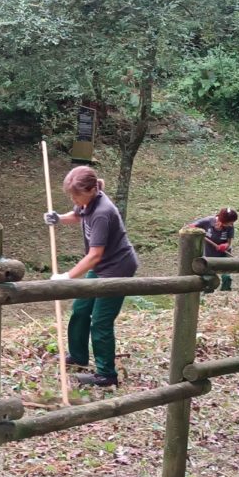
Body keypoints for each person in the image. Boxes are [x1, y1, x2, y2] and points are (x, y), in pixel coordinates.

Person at [44, 166, 139, 388]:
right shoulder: (88, 201)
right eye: (71, 195)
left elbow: (94, 256)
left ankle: (107, 375)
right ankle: (78, 355)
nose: (74, 199)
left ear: (91, 189)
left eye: (76, 194)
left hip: (117, 268)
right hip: (103, 265)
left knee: (100, 321)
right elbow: (77, 215)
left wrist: (67, 276)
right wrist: (58, 218)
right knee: (80, 309)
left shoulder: (103, 212)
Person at [188, 208, 238, 291]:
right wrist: (193, 229)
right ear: (222, 221)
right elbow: (192, 226)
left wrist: (225, 246)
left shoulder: (230, 227)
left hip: (223, 255)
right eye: (230, 222)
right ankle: (208, 294)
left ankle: (225, 293)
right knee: (208, 278)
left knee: (226, 276)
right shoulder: (207, 221)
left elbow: (229, 243)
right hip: (209, 255)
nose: (231, 224)